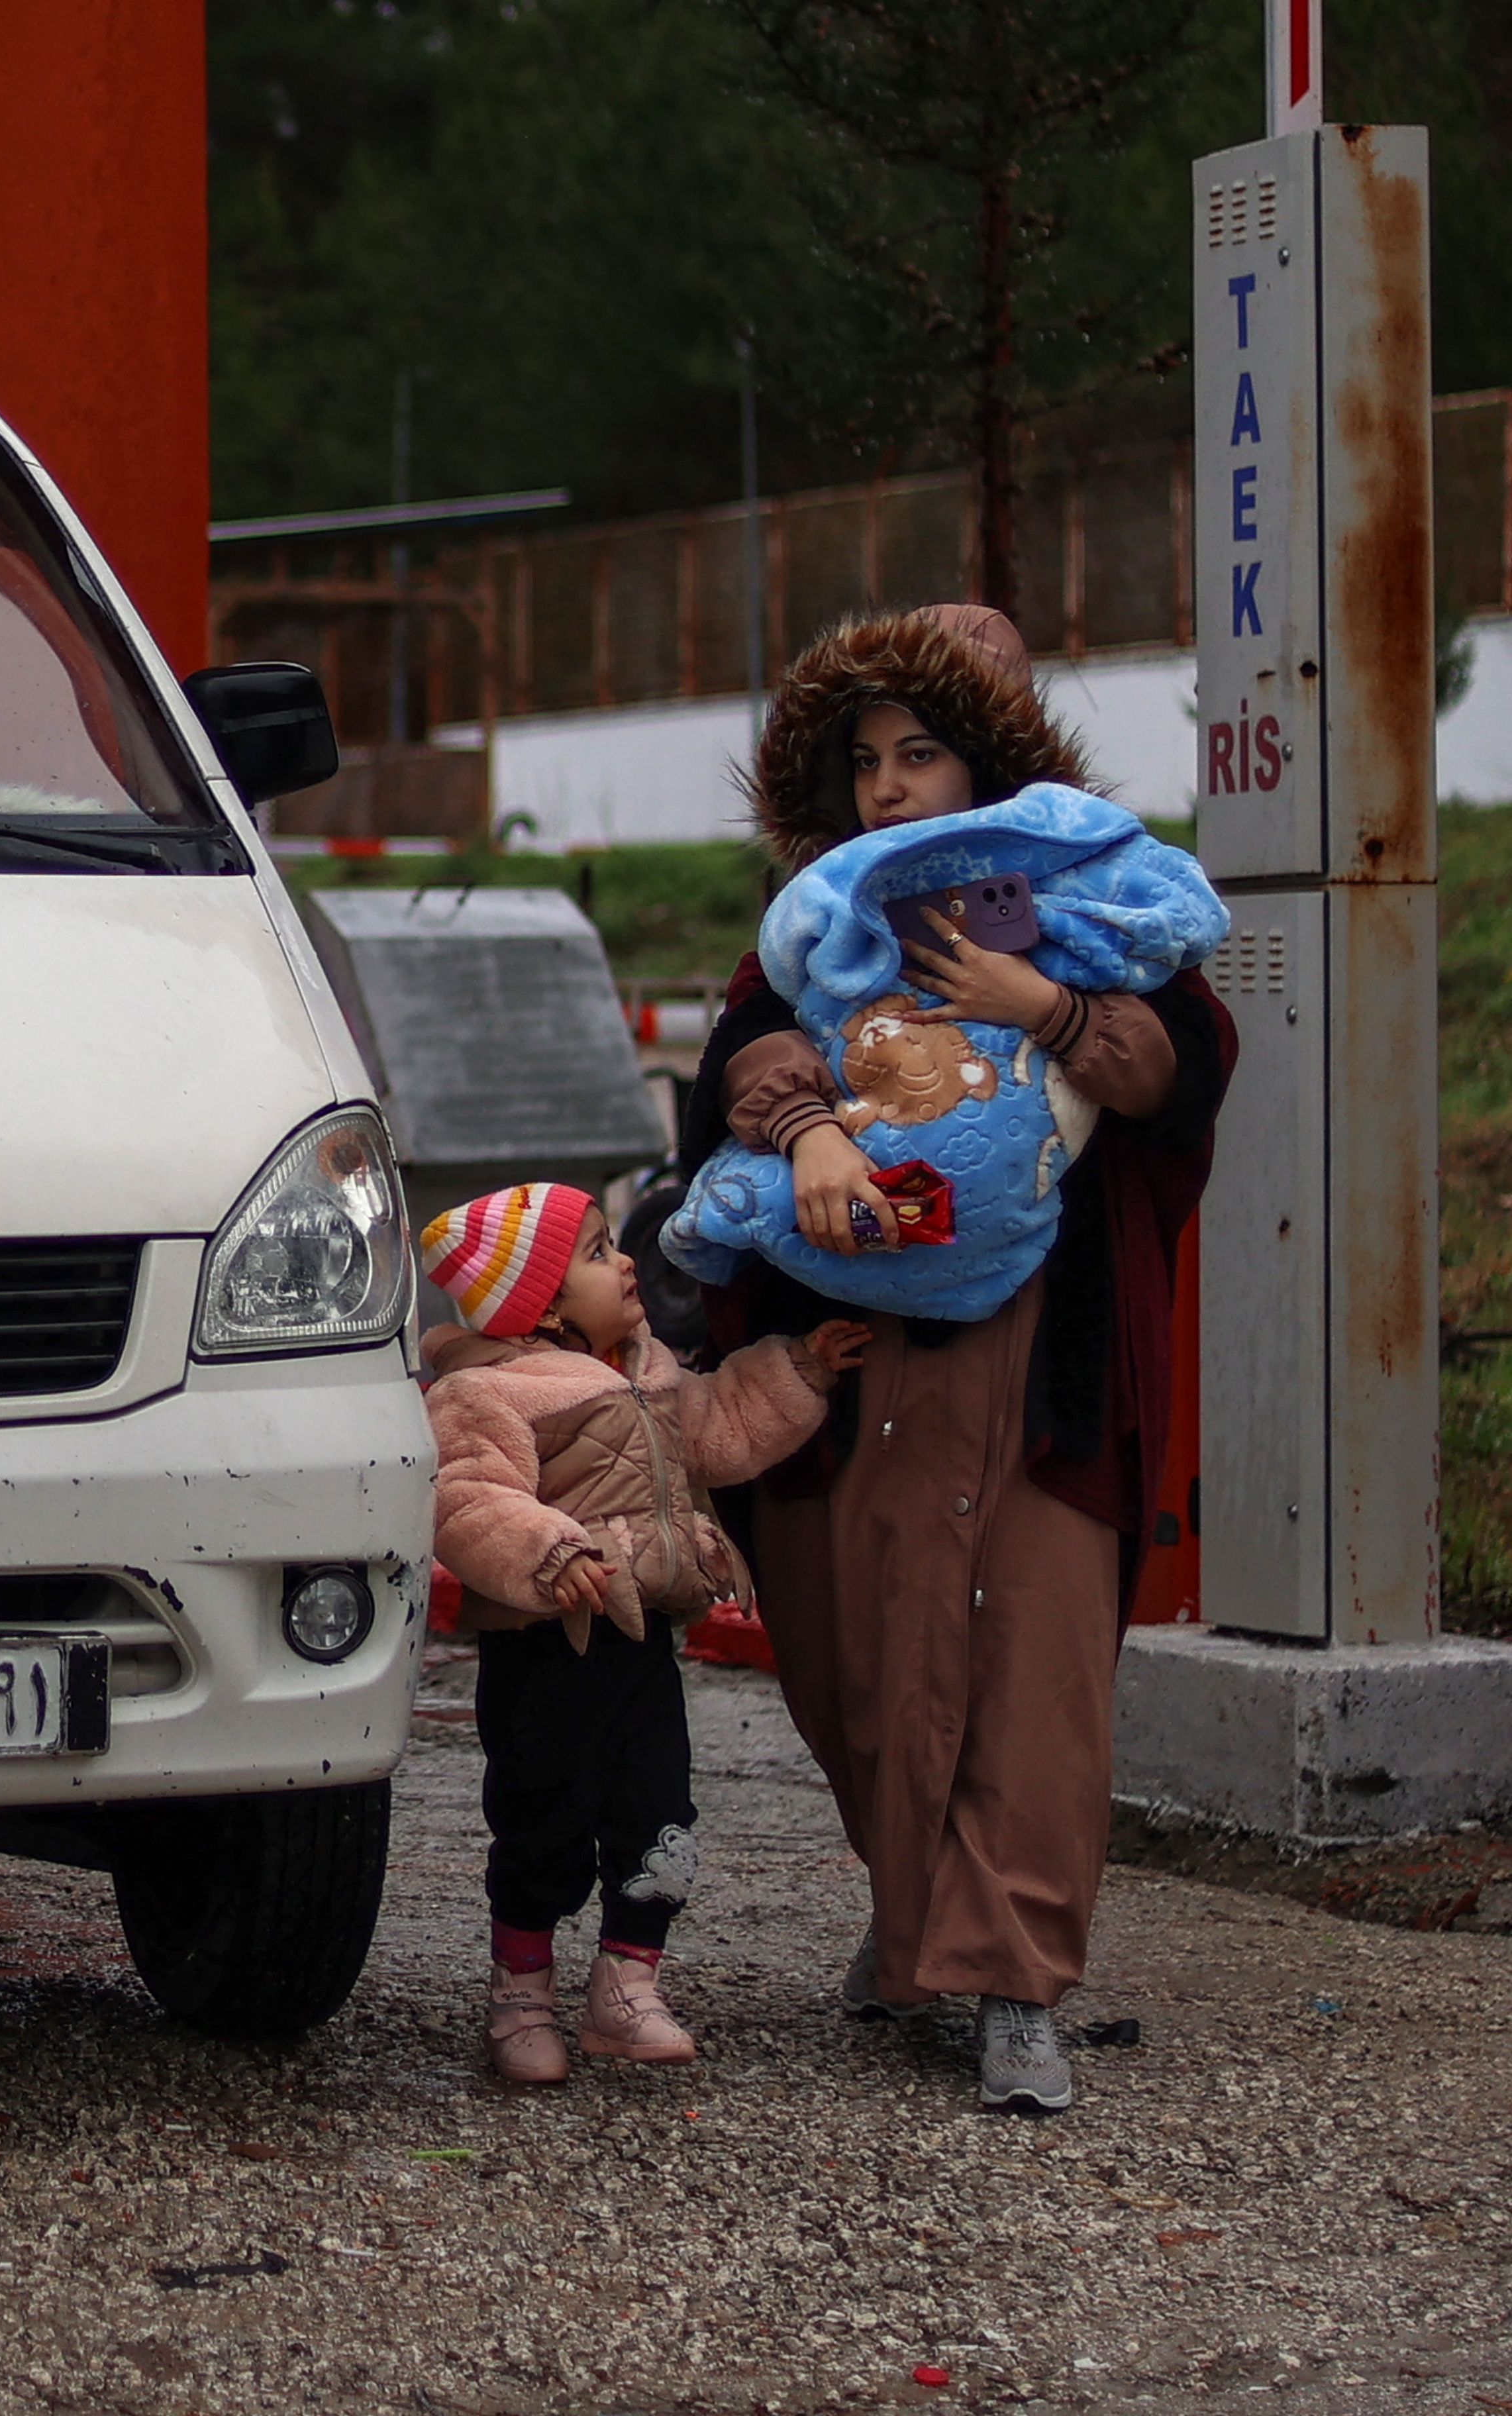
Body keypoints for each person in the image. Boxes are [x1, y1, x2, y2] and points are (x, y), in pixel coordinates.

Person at [684, 604, 1233, 2115]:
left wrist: (1041, 1007)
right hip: (862, 1355)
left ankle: (1012, 1984)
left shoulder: (1085, 891)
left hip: (1042, 1358)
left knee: (1035, 1666)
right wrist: (802, 1125)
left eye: (920, 752)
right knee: (858, 1654)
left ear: (994, 753)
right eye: (866, 759)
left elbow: (1184, 1069)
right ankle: (917, 1918)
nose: (889, 786)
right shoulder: (821, 914)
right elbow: (740, 1056)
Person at [421, 1183, 865, 2084]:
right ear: (542, 1305)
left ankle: (627, 1987)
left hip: (642, 1644)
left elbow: (723, 1424)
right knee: (541, 1815)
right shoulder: (486, 1393)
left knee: (660, 1814)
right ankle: (521, 1993)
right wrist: (547, 1549)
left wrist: (801, 1370)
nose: (627, 1263)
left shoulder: (651, 1372)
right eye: (596, 1253)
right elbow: (467, 1498)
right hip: (545, 1652)